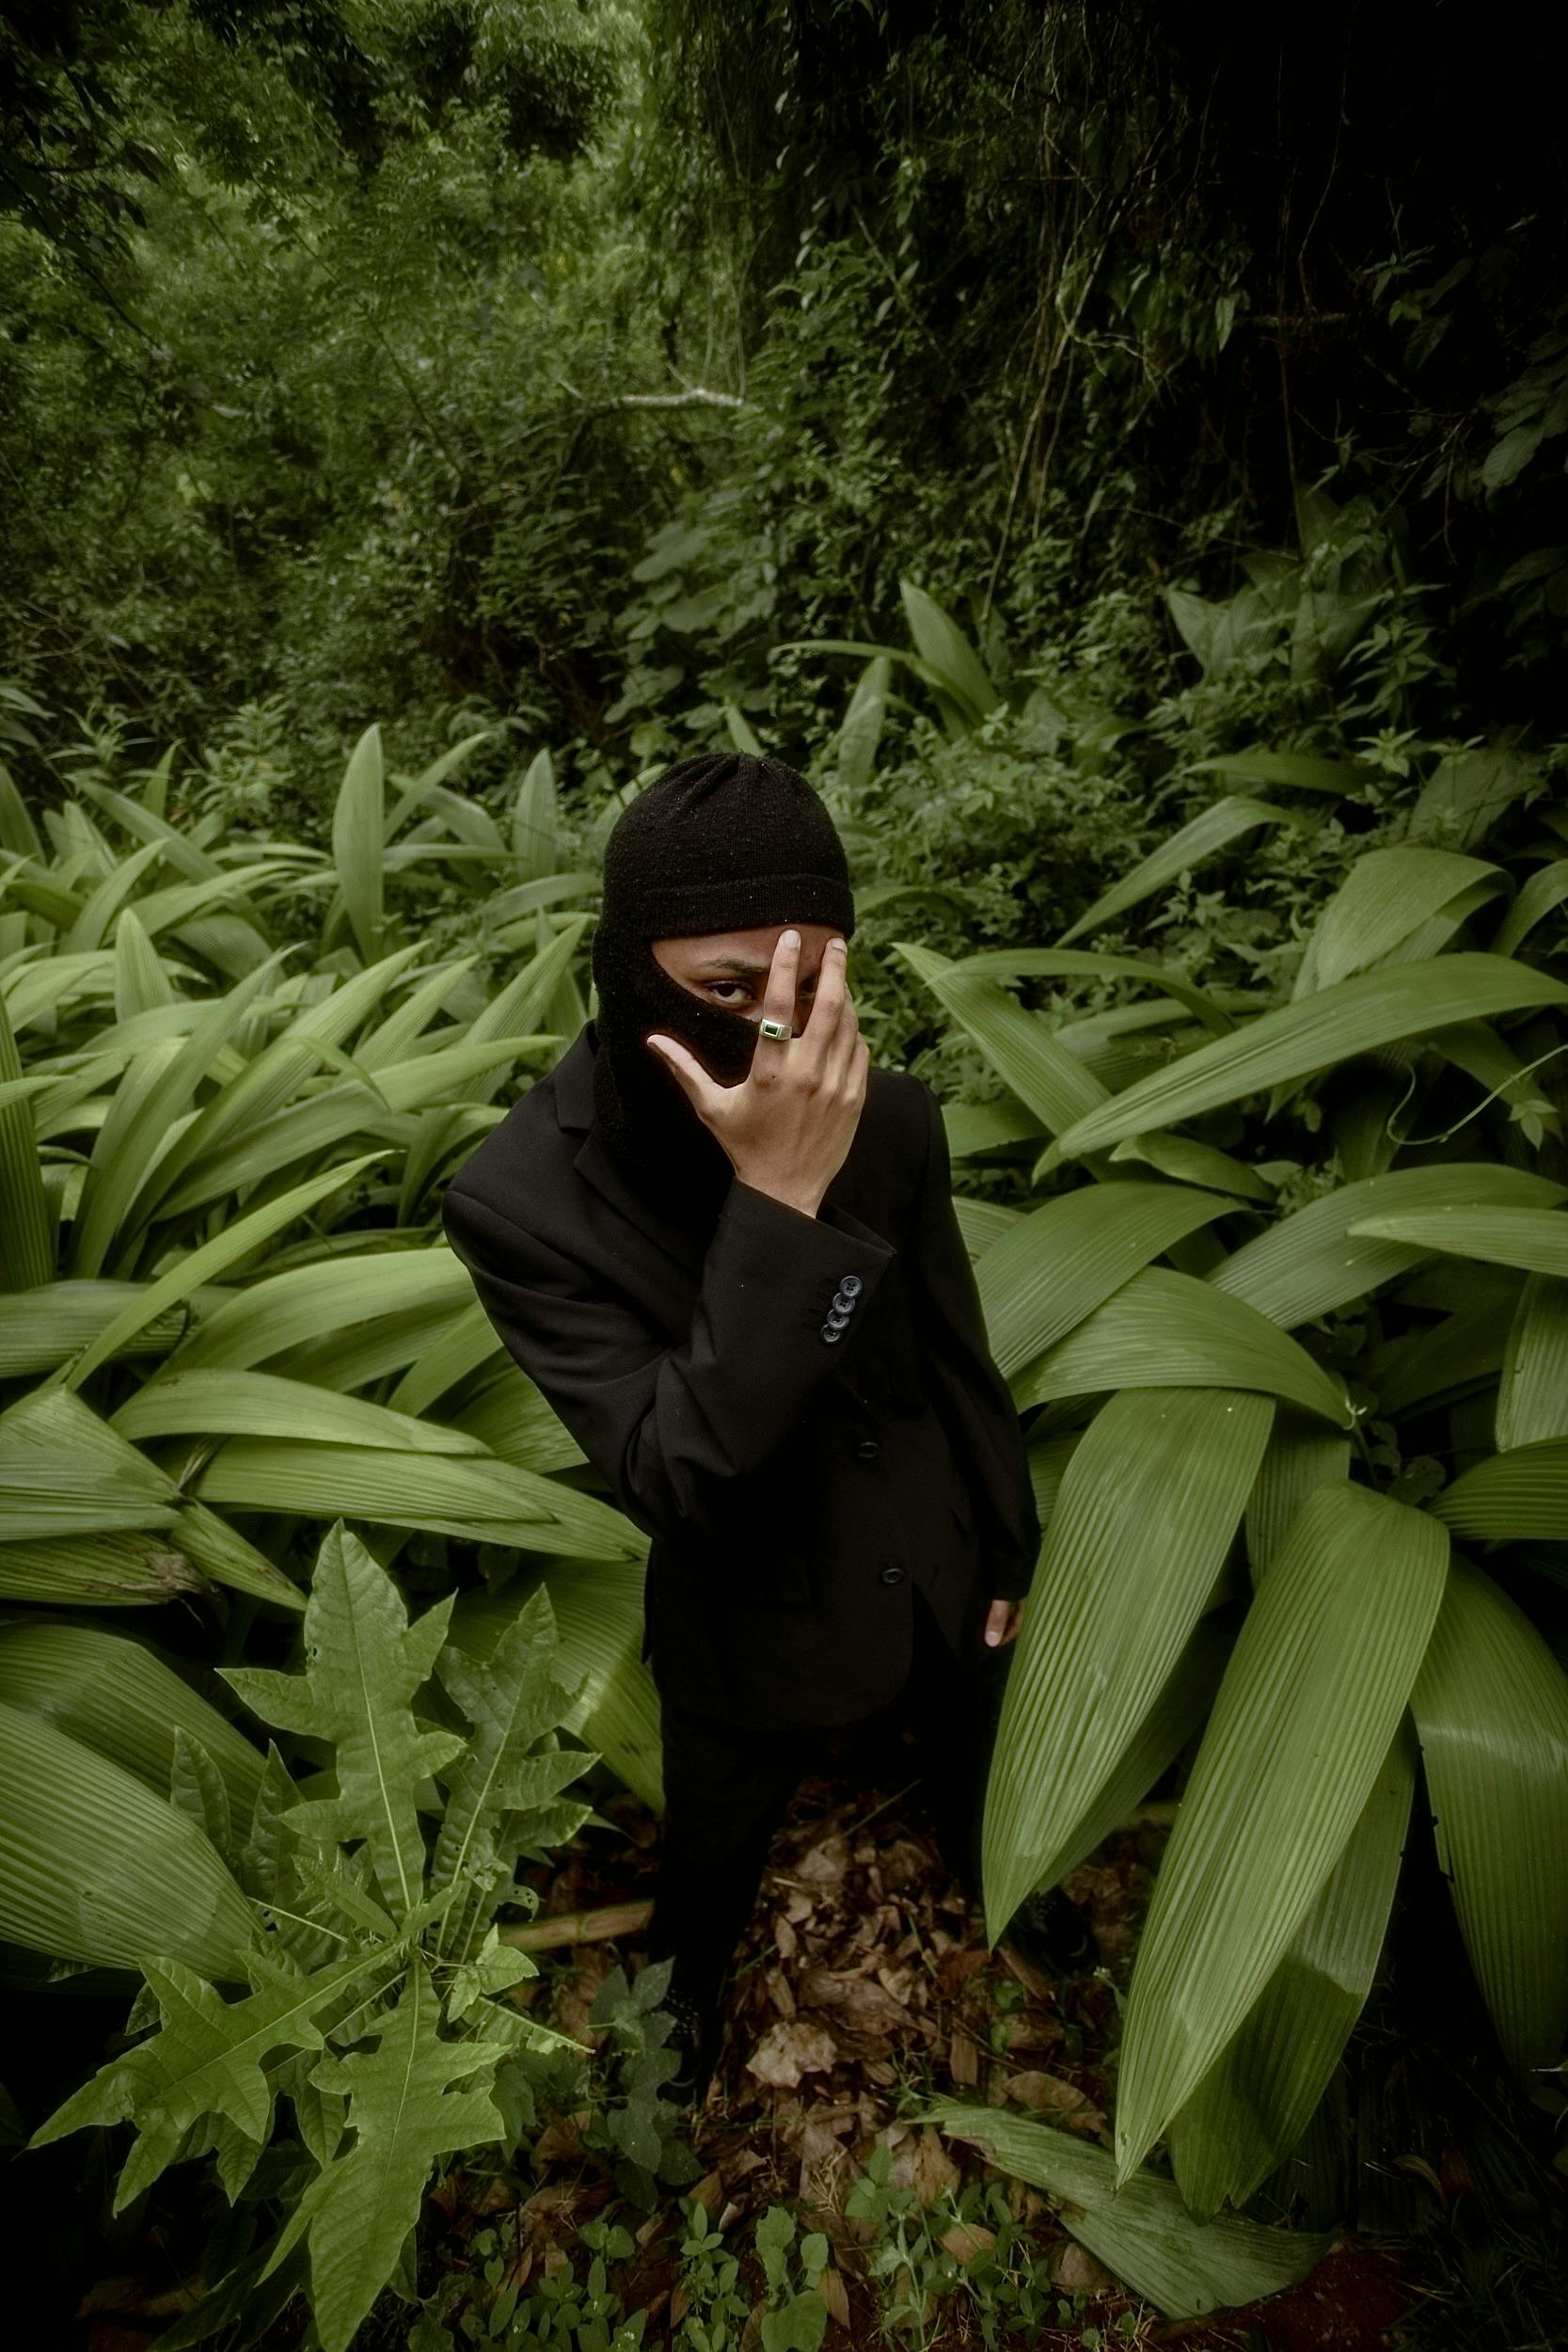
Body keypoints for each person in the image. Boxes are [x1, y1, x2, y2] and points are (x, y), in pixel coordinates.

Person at [440, 751, 1092, 2100]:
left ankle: (1003, 1886)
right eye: (729, 993)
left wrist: (1007, 1548)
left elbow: (952, 1361)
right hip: (744, 1611)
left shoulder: (893, 1117)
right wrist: (780, 1200)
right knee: (713, 1850)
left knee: (976, 1754)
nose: (782, 1038)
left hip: (929, 1554)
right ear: (629, 973)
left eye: (811, 985)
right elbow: (674, 1471)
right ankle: (678, 2023)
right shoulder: (520, 1199)